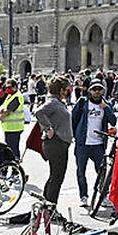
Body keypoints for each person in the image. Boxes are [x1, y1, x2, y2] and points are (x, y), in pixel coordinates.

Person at [71, 82, 116, 207]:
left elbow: (113, 121)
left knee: (101, 172)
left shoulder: (106, 104)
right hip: (83, 144)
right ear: (90, 91)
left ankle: (103, 195)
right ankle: (83, 196)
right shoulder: (82, 103)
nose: (97, 92)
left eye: (99, 89)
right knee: (81, 171)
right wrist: (76, 136)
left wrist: (105, 108)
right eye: (94, 89)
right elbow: (73, 120)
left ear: (102, 91)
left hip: (98, 144)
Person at [34, 76, 73, 206]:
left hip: (59, 143)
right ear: (61, 90)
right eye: (67, 89)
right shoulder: (53, 102)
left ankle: (47, 204)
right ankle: (51, 206)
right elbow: (39, 112)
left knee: (54, 177)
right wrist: (48, 128)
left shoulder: (57, 102)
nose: (68, 92)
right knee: (57, 177)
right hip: (56, 143)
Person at [0, 79, 27, 160]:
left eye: (9, 87)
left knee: (13, 148)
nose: (7, 89)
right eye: (6, 87)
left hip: (15, 127)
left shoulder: (17, 97)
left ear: (15, 87)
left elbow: (7, 111)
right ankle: (11, 164)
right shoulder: (10, 95)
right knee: (10, 147)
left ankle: (15, 166)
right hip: (9, 127)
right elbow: (3, 108)